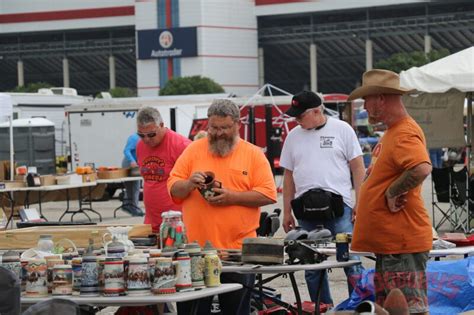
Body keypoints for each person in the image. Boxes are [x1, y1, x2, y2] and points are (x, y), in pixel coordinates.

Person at [167, 99, 277, 315]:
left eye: (224, 128)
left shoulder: (253, 154)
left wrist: (232, 197)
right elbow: (173, 189)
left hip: (236, 252)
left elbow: (268, 194)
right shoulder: (193, 151)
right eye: (213, 128)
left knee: (236, 310)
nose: (218, 133)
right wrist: (189, 183)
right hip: (194, 251)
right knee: (192, 310)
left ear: (237, 124)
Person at [349, 69, 432, 315]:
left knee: (407, 311)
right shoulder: (394, 132)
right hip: (394, 245)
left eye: (367, 99)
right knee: (390, 311)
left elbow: (421, 168)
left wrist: (392, 192)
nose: (364, 105)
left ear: (381, 98)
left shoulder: (403, 132)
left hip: (401, 244)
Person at [280, 90, 365, 307]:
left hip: (340, 209)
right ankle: (322, 308)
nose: (296, 120)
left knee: (351, 263)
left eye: (300, 116)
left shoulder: (342, 129)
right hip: (306, 211)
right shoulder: (293, 136)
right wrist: (287, 210)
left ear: (317, 111)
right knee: (311, 267)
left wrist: (360, 201)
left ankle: (357, 308)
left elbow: (357, 167)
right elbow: (288, 176)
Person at [136, 106, 191, 232]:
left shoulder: (181, 145)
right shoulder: (140, 146)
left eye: (151, 134)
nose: (146, 139)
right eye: (141, 135)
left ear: (161, 125)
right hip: (151, 221)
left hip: (177, 222)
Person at [121, 133, 144, 216]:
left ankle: (129, 205)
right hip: (129, 164)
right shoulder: (134, 138)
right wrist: (132, 160)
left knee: (136, 186)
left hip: (136, 164)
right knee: (133, 187)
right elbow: (126, 150)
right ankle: (133, 207)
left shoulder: (145, 138)